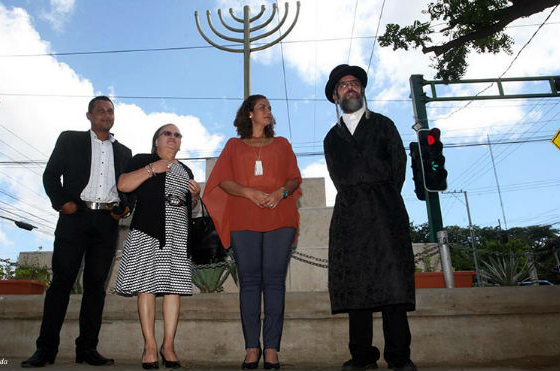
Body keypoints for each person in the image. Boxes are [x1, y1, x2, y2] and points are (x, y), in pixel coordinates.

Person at [22, 96, 133, 368]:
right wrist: (62, 203)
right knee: (61, 283)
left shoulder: (124, 152)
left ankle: (87, 349)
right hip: (75, 218)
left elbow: (128, 188)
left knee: (96, 287)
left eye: (110, 111)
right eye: (100, 111)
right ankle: (45, 350)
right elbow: (50, 175)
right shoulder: (70, 139)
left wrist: (125, 208)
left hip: (106, 222)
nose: (106, 115)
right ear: (89, 115)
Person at [323, 64, 417, 371]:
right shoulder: (331, 138)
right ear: (335, 96)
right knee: (356, 286)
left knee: (392, 285)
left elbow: (399, 165)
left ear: (362, 90)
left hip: (385, 210)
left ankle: (399, 357)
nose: (349, 88)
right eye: (343, 85)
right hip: (349, 215)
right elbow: (338, 176)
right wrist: (358, 196)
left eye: (354, 84)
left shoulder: (384, 124)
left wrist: (384, 197)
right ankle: (362, 357)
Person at [202, 94, 302, 370]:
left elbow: (294, 178)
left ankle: (271, 348)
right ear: (249, 113)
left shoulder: (282, 144)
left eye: (269, 108)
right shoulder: (234, 146)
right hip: (243, 219)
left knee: (273, 281)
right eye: (262, 107)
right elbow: (222, 180)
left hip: (279, 217)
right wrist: (249, 192)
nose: (268, 111)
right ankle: (251, 348)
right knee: (248, 282)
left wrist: (280, 192)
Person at [114, 124, 200, 370]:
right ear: (156, 142)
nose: (173, 138)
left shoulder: (186, 169)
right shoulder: (143, 160)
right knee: (146, 287)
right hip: (147, 232)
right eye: (167, 134)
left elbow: (186, 206)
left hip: (178, 236)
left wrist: (195, 197)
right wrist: (152, 169)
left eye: (177, 135)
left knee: (174, 290)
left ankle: (168, 345)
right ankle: (150, 346)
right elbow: (123, 185)